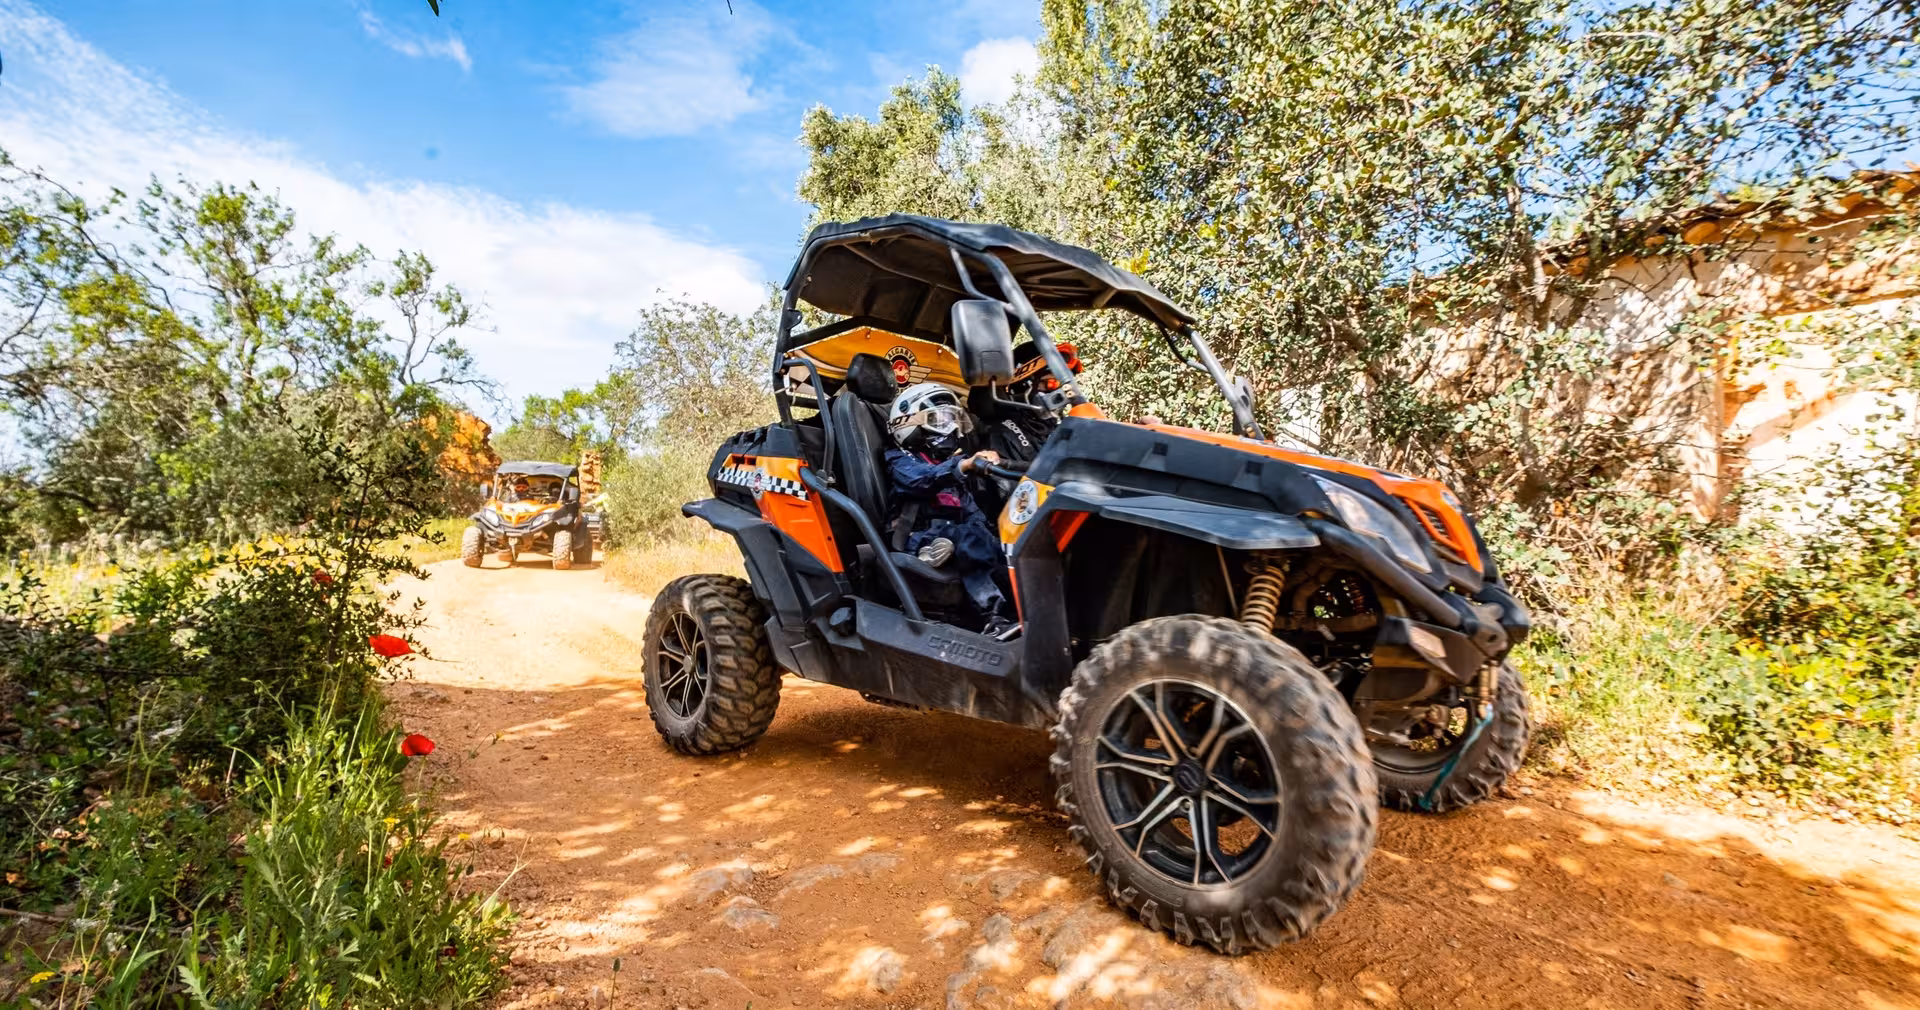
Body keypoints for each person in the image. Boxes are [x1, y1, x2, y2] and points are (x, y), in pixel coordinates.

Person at [884, 382, 1017, 638]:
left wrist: (990, 538)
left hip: (953, 533)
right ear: (909, 423)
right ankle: (992, 617)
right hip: (914, 536)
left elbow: (970, 509)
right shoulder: (899, 459)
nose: (952, 427)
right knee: (969, 538)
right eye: (942, 419)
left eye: (954, 419)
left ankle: (1020, 614)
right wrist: (962, 464)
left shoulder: (949, 469)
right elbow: (921, 480)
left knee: (995, 545)